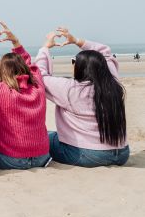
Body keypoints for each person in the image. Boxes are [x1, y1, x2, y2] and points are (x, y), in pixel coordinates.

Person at [37, 27, 128, 167]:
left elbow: (40, 77)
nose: (73, 64)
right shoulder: (114, 84)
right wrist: (76, 41)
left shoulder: (71, 89)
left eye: (74, 61)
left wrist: (45, 47)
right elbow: (105, 52)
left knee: (44, 137)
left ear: (81, 68)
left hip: (88, 155)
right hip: (122, 154)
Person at [0, 22, 50, 170]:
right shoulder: (37, 86)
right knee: (52, 135)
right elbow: (31, 67)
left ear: (1, 71)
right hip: (41, 157)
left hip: (8, 159)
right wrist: (16, 42)